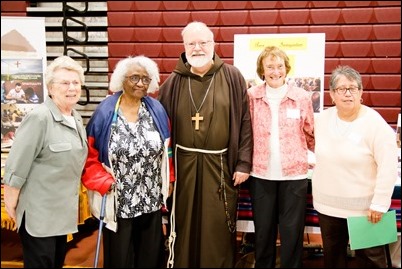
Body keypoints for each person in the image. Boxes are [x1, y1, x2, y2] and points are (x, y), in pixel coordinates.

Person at [158, 21, 253, 268]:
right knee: (184, 223)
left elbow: (244, 122)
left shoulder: (232, 76)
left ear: (213, 44)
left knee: (217, 226)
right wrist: (165, 172)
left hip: (220, 165)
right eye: (191, 43)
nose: (197, 48)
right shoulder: (172, 83)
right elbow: (161, 133)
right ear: (184, 46)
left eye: (203, 42)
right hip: (183, 167)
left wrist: (243, 162)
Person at [81, 55, 175, 268]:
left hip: (150, 198)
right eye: (134, 78)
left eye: (145, 79)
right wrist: (102, 182)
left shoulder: (156, 110)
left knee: (150, 256)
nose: (141, 83)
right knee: (120, 257)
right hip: (118, 198)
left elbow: (166, 150)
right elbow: (89, 155)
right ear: (121, 80)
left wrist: (168, 179)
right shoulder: (105, 111)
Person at [3, 55, 88, 268]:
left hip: (62, 215)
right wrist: (11, 200)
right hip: (38, 216)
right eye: (65, 83)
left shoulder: (75, 117)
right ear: (50, 88)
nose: (72, 88)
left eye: (76, 82)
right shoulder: (39, 118)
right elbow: (17, 163)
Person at [312, 65, 398, 268]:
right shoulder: (321, 120)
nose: (348, 93)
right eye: (341, 89)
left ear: (361, 93)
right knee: (333, 259)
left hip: (365, 211)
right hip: (328, 208)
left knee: (371, 261)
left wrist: (379, 204)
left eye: (353, 88)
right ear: (332, 94)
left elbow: (388, 166)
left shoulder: (375, 123)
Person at [247, 46, 315, 268]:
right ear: (262, 70)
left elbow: (310, 132)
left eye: (279, 66)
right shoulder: (251, 96)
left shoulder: (301, 97)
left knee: (292, 233)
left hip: (294, 175)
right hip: (260, 173)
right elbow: (244, 132)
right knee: (263, 232)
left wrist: (316, 157)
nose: (275, 71)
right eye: (269, 66)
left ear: (286, 68)